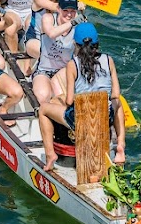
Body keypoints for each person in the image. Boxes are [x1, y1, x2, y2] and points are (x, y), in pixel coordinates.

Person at [36, 23, 126, 172]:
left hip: (81, 119)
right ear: (96, 44)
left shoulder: (72, 64)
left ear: (75, 44)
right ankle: (121, 145)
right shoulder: (108, 59)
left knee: (44, 109)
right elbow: (115, 93)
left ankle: (50, 154)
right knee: (118, 102)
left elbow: (69, 100)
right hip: (105, 117)